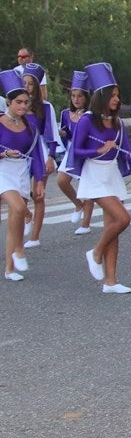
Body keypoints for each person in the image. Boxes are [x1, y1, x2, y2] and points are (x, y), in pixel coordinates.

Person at [68, 62, 131, 293]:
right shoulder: (87, 120)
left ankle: (110, 282)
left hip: (111, 174)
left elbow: (128, 154)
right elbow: (77, 151)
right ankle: (95, 252)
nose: (116, 99)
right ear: (101, 96)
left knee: (113, 226)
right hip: (94, 175)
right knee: (123, 219)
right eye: (112, 95)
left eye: (118, 95)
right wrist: (97, 151)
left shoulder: (117, 123)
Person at [0, 69, 47, 282]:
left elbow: (36, 154)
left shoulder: (30, 125)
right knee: (19, 208)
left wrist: (39, 180)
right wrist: (3, 153)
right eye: (18, 102)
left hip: (21, 172)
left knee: (15, 221)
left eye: (26, 102)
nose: (23, 106)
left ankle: (9, 269)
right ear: (9, 102)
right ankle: (19, 250)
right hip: (3, 169)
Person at [17, 64, 56, 247]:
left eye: (30, 83)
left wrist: (51, 157)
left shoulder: (46, 107)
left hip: (40, 151)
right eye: (23, 83)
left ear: (36, 86)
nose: (26, 86)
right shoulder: (17, 106)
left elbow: (52, 133)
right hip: (22, 151)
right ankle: (27, 215)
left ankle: (35, 237)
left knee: (38, 195)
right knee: (16, 193)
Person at [56, 71, 96, 235]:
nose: (76, 99)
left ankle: (86, 224)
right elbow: (68, 132)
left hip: (85, 151)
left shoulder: (91, 115)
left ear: (87, 97)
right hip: (72, 150)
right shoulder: (66, 114)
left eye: (80, 96)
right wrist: (63, 134)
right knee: (61, 180)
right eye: (73, 96)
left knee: (86, 187)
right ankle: (78, 204)